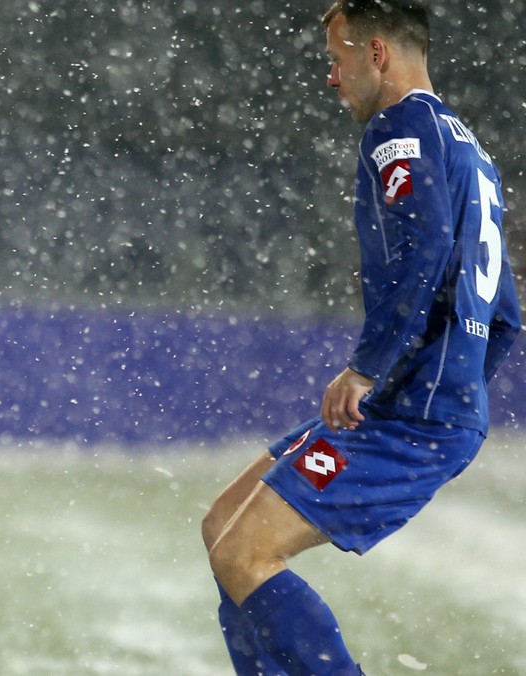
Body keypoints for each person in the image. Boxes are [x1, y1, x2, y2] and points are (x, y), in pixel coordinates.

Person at [201, 1, 521, 674]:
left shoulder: (398, 128)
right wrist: (456, 383)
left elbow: (424, 248)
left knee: (243, 551)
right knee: (224, 528)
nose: (331, 75)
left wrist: (373, 369)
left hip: (411, 413)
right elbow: (505, 316)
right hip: (424, 404)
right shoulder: (471, 151)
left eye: (337, 57)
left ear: (376, 53)